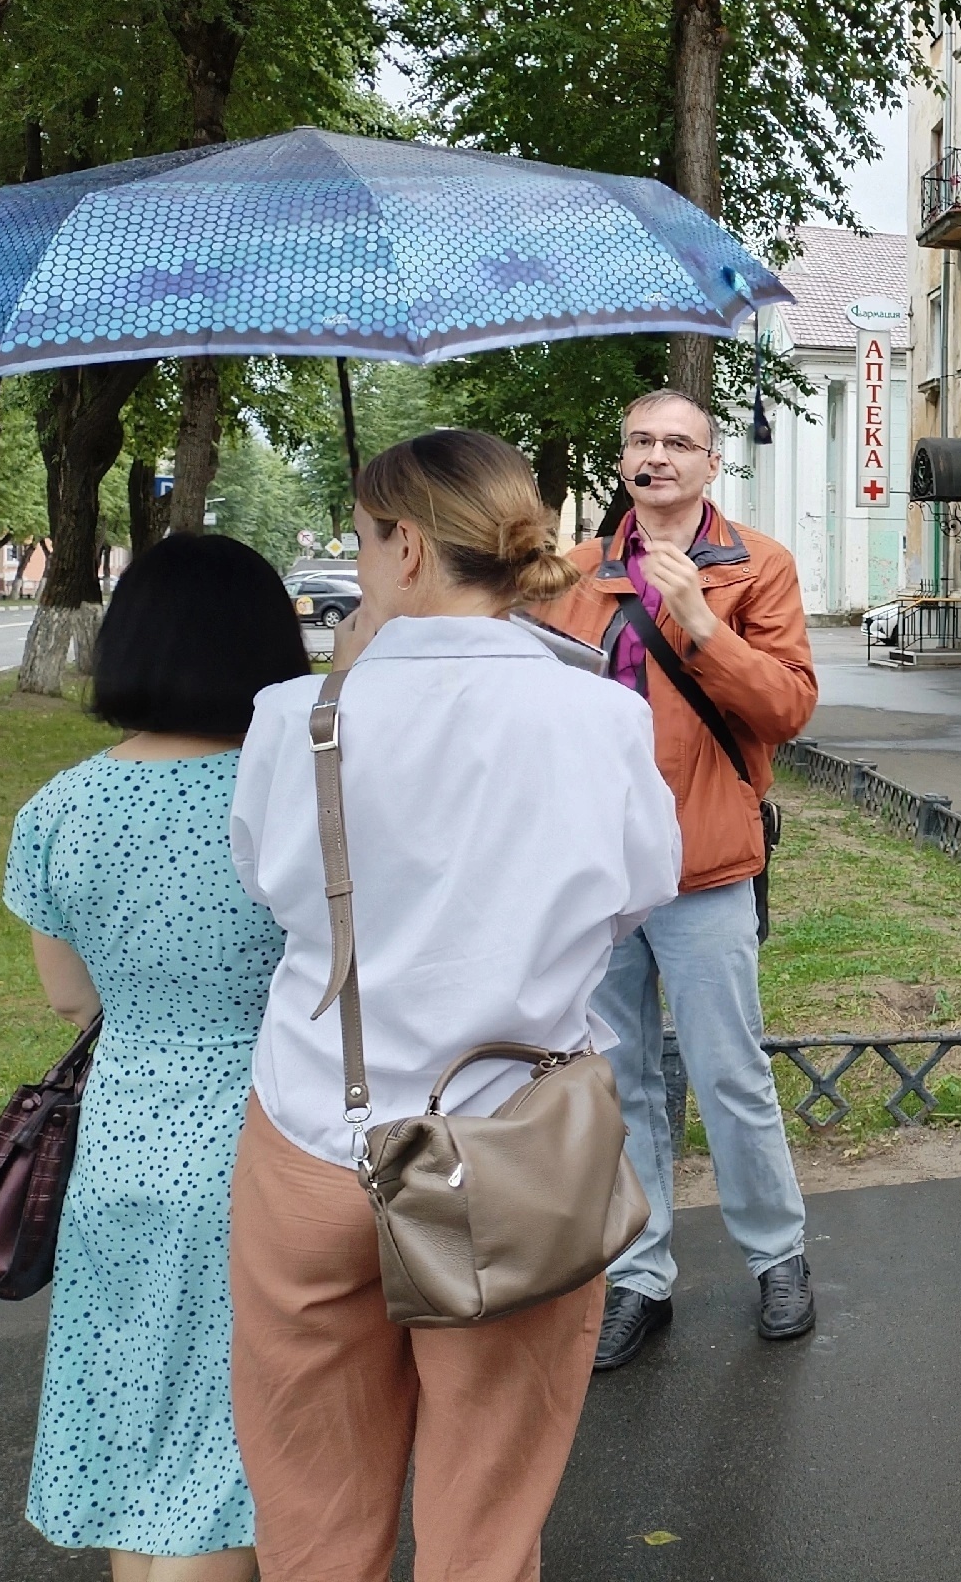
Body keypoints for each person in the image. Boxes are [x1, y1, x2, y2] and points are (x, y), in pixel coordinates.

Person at [226, 430, 681, 1582]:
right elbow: (641, 892)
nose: (359, 561)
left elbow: (272, 888)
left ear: (410, 545)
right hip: (515, 1144)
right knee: (486, 1522)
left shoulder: (298, 718)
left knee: (313, 1519)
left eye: (366, 538)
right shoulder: (599, 713)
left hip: (315, 1128)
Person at [6, 535, 308, 1582]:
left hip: (120, 1139)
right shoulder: (290, 798)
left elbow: (66, 994)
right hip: (264, 1140)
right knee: (224, 1459)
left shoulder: (58, 807)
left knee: (137, 1437)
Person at [533, 387, 820, 1369]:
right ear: (623, 460)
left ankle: (776, 1254)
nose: (656, 457)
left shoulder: (756, 568)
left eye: (677, 444)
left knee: (725, 1068)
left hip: (702, 863)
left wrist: (701, 619)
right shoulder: (571, 574)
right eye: (641, 442)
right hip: (596, 878)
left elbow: (785, 709)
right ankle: (640, 1273)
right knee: (619, 1082)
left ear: (709, 466)